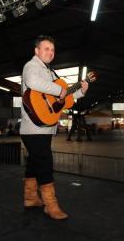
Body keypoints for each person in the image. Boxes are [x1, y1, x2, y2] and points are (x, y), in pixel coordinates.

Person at [20, 35, 88, 220]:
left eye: (52, 49)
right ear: (37, 51)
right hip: (34, 128)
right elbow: (34, 83)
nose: (50, 52)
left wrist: (80, 91)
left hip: (44, 127)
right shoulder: (32, 66)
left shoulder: (51, 72)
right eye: (46, 48)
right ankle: (51, 205)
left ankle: (30, 198)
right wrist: (59, 90)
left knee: (35, 162)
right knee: (45, 163)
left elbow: (65, 101)